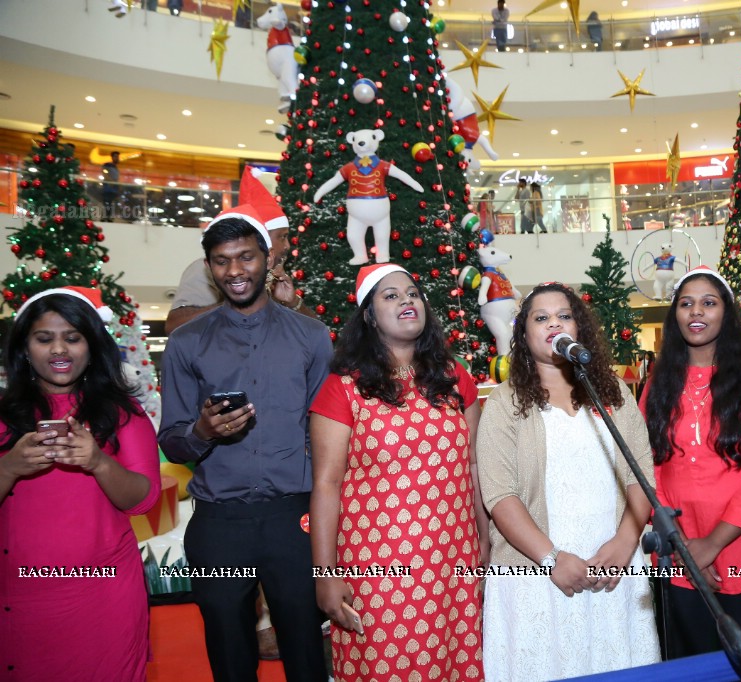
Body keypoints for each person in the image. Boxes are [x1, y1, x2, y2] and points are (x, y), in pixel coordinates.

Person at [158, 212, 332, 681]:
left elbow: (328, 431)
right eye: (221, 262)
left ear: (267, 257)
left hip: (294, 523)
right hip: (220, 527)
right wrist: (203, 432)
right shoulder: (186, 343)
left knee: (306, 650)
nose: (234, 271)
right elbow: (172, 442)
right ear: (209, 267)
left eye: (245, 257)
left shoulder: (311, 336)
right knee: (229, 653)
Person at [309, 263, 488, 680]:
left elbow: (476, 465)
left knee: (459, 665)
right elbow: (325, 485)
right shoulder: (343, 388)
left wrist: (485, 540)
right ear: (369, 316)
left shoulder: (453, 377)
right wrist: (325, 575)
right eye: (390, 296)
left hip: (454, 560)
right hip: (383, 569)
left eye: (412, 293)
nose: (407, 300)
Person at [476, 282, 660, 680]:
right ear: (524, 335)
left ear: (579, 329)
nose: (553, 324)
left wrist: (625, 542)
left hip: (614, 566)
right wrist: (551, 559)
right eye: (541, 318)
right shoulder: (503, 402)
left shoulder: (613, 393)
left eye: (564, 316)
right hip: (535, 574)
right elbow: (499, 494)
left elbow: (639, 472)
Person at [0, 287, 161, 681]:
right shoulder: (5, 415)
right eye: (44, 338)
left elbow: (144, 499)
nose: (60, 349)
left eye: (73, 338)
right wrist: (9, 468)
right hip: (20, 594)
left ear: (92, 346)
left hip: (102, 592)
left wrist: (98, 462)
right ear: (24, 348)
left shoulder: (123, 413)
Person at [641, 266, 741, 668]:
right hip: (679, 550)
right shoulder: (658, 383)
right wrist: (688, 550)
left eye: (709, 303)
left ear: (726, 313)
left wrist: (710, 546)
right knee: (694, 668)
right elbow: (647, 465)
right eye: (687, 303)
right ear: (674, 315)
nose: (697, 312)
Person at [166, 168, 314, 334]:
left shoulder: (278, 276)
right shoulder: (203, 271)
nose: (287, 245)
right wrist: (241, 301)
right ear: (263, 237)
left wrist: (292, 302)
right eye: (282, 237)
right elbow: (174, 326)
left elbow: (315, 335)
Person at [101, 150, 120, 221]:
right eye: (115, 156)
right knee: (106, 202)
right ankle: (105, 217)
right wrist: (111, 181)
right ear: (112, 157)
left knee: (110, 203)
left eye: (117, 157)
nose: (117, 158)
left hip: (113, 189)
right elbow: (105, 173)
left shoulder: (115, 167)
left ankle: (108, 217)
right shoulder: (107, 165)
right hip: (108, 188)